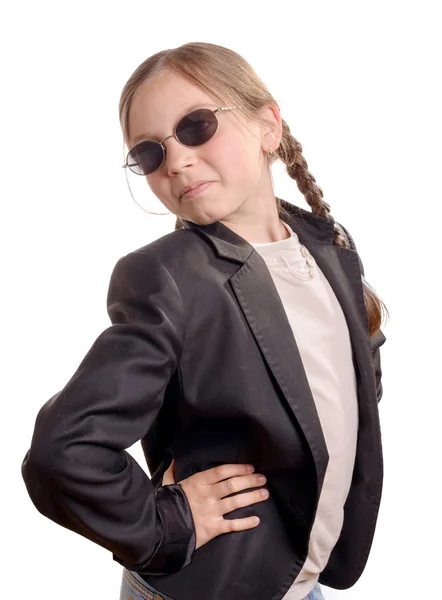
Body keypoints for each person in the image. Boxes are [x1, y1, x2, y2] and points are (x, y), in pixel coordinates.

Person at [21, 42, 388, 600]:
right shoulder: (168, 277)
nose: (175, 160)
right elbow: (63, 451)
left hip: (298, 578)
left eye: (195, 127)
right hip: (214, 584)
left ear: (268, 125)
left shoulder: (328, 244)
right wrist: (169, 521)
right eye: (149, 152)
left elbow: (351, 380)